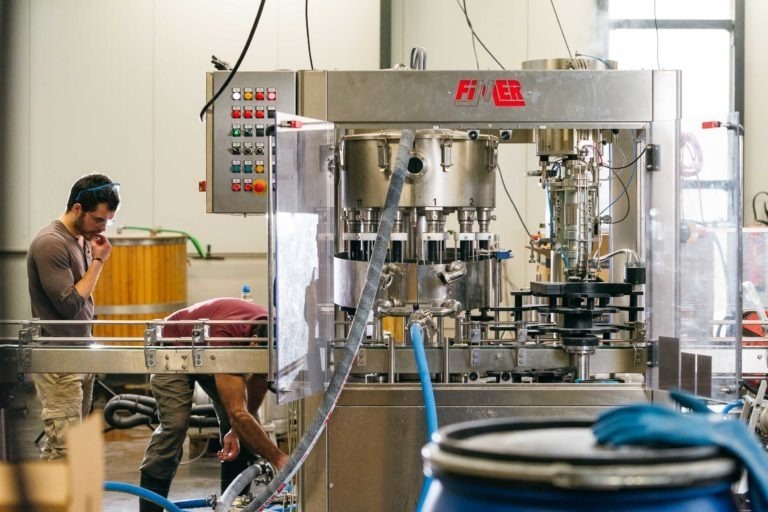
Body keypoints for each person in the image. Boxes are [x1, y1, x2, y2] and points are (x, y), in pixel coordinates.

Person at [139, 297, 289, 512]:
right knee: (175, 426)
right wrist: (279, 458)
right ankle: (149, 509)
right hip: (172, 347)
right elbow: (238, 412)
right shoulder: (227, 336)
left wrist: (236, 432)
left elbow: (249, 407)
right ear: (254, 341)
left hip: (208, 350)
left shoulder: (272, 335)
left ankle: (233, 505)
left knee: (247, 428)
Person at [26, 173, 120, 460]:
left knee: (65, 449)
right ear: (77, 209)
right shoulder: (51, 243)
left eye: (107, 221)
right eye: (98, 220)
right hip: (59, 363)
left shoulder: (80, 237)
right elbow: (69, 305)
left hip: (79, 355)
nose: (103, 228)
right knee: (66, 450)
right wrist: (98, 261)